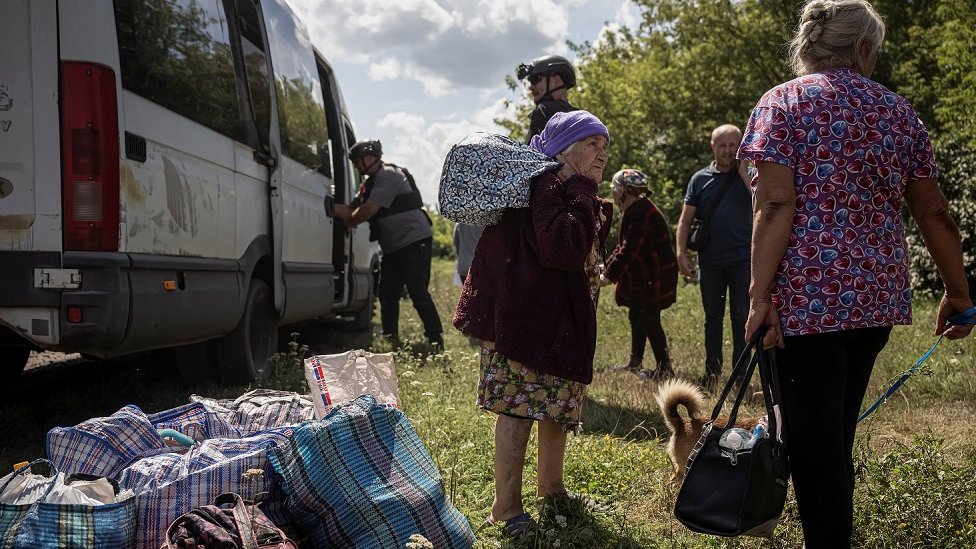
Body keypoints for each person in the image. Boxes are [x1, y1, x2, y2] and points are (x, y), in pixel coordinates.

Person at [738, 1, 973, 547]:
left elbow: (775, 205)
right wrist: (958, 293)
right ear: (864, 48)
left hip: (803, 304)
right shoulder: (896, 110)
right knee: (830, 438)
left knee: (815, 451)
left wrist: (757, 298)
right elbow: (932, 211)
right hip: (873, 303)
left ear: (810, 45)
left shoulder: (784, 102)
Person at [454, 110, 612, 538]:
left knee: (556, 408)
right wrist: (582, 189)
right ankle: (505, 509)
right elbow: (562, 249)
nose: (601, 154)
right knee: (518, 409)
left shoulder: (566, 187)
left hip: (555, 321)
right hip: (521, 321)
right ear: (563, 149)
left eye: (604, 146)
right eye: (591, 144)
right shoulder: (546, 184)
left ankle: (552, 489)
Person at [334, 139, 445, 348]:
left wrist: (347, 224)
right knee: (387, 293)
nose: (357, 166)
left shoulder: (388, 175)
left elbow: (367, 211)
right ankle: (391, 338)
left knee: (418, 292)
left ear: (370, 158)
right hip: (393, 246)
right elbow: (350, 210)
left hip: (413, 241)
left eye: (358, 161)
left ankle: (435, 339)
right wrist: (328, 207)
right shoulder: (369, 184)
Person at [675, 125, 753, 390]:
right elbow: (685, 221)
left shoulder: (748, 175)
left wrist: (744, 171)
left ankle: (741, 377)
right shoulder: (700, 179)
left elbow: (762, 201)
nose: (728, 151)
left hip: (743, 259)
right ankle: (711, 374)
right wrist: (680, 252)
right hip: (710, 261)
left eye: (733, 145)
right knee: (713, 318)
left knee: (742, 316)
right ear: (713, 147)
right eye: (723, 145)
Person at [603, 169, 678, 380]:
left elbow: (630, 249)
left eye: (615, 188)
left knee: (648, 318)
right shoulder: (636, 209)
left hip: (655, 276)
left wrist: (608, 276)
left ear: (627, 191)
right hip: (645, 276)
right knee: (636, 314)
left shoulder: (640, 211)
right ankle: (635, 362)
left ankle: (665, 369)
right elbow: (623, 248)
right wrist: (605, 267)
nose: (613, 192)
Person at [516, 54, 579, 142]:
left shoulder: (543, 110)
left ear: (556, 81)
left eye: (535, 79)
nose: (531, 87)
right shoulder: (583, 118)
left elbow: (532, 153)